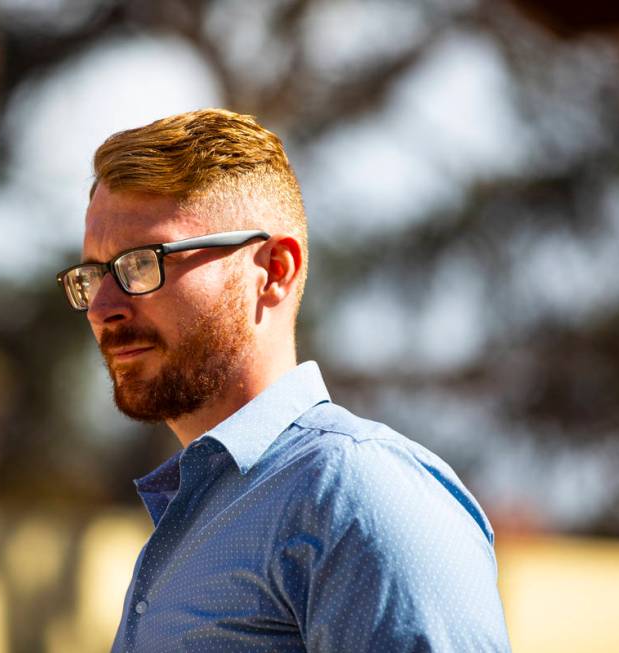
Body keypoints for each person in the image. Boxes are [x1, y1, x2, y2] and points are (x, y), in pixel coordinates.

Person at [56, 108, 511, 652]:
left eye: (140, 263)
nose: (103, 306)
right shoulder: (203, 509)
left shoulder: (357, 493)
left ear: (274, 270)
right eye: (93, 274)